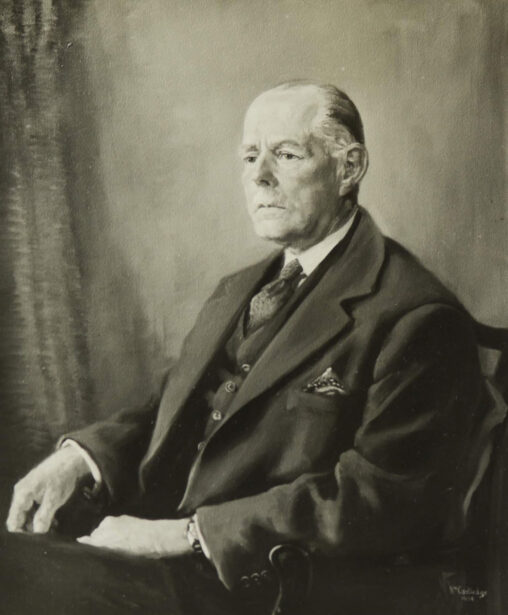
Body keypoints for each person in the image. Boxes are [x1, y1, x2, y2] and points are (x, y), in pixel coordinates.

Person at [3, 80, 486, 614]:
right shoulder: (236, 290)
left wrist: (187, 535)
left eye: (286, 154)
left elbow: (382, 499)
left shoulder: (418, 316)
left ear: (349, 168)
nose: (259, 176)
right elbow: (171, 410)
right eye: (251, 157)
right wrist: (81, 459)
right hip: (147, 546)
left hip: (257, 586)